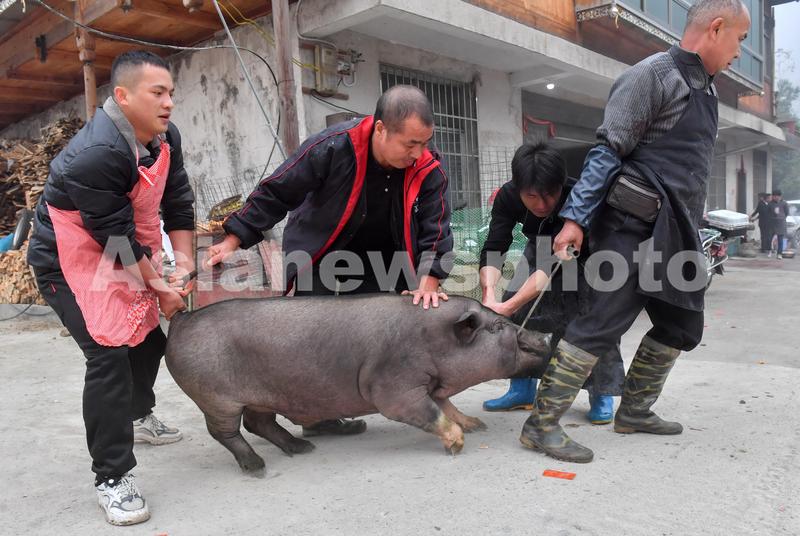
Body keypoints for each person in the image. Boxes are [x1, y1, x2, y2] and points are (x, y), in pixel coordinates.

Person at [518, 0, 751, 463]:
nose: (739, 52)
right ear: (716, 28)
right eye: (740, 39)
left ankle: (635, 411)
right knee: (599, 324)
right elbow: (606, 152)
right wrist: (575, 220)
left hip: (677, 232)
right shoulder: (653, 75)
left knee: (682, 324)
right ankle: (539, 426)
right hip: (632, 227)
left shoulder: (705, 87)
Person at [205, 84, 453, 436]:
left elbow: (436, 225)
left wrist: (429, 280)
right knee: (314, 337)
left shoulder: (428, 167)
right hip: (319, 247)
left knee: (374, 334)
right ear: (380, 129)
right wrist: (234, 238)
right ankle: (313, 417)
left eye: (424, 143)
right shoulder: (334, 146)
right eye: (410, 144)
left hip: (382, 256)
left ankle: (362, 401)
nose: (418, 153)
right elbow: (279, 191)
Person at [27, 51, 195, 525]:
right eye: (157, 93)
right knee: (108, 355)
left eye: (171, 93)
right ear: (122, 96)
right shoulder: (96, 153)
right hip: (67, 261)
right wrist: (161, 288)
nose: (168, 103)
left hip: (122, 246)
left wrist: (183, 265)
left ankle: (137, 415)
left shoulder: (165, 138)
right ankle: (112, 477)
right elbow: (115, 238)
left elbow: (178, 200)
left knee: (150, 340)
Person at [478, 143, 622, 424]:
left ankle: (601, 392)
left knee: (592, 319)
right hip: (540, 245)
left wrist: (509, 305)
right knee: (518, 314)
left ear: (560, 185)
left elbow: (551, 267)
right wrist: (489, 296)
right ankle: (521, 389)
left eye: (549, 195)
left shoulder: (577, 195)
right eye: (531, 196)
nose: (541, 205)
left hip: (587, 251)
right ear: (518, 187)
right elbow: (495, 246)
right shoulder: (508, 196)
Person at [768, 189, 789, 259]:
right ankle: (770, 251)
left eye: (776, 196)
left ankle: (779, 254)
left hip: (781, 223)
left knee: (780, 239)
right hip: (772, 223)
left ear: (780, 196)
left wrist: (781, 217)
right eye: (774, 196)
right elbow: (768, 213)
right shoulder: (770, 203)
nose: (775, 197)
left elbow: (786, 213)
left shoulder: (784, 203)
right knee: (769, 238)